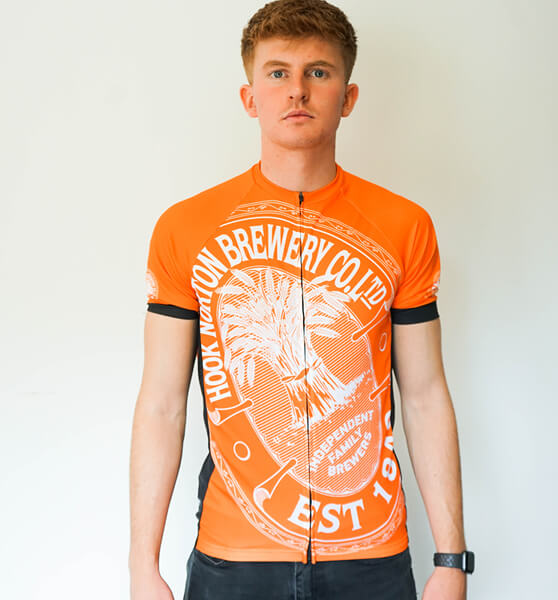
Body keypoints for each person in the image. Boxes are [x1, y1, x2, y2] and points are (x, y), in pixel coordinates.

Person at [129, 1, 474, 598]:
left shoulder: (404, 225)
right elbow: (161, 402)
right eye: (277, 72)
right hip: (233, 557)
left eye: (318, 71)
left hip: (370, 556)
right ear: (249, 97)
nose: (297, 90)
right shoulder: (185, 228)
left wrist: (451, 559)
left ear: (348, 96)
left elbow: (424, 394)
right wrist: (142, 564)